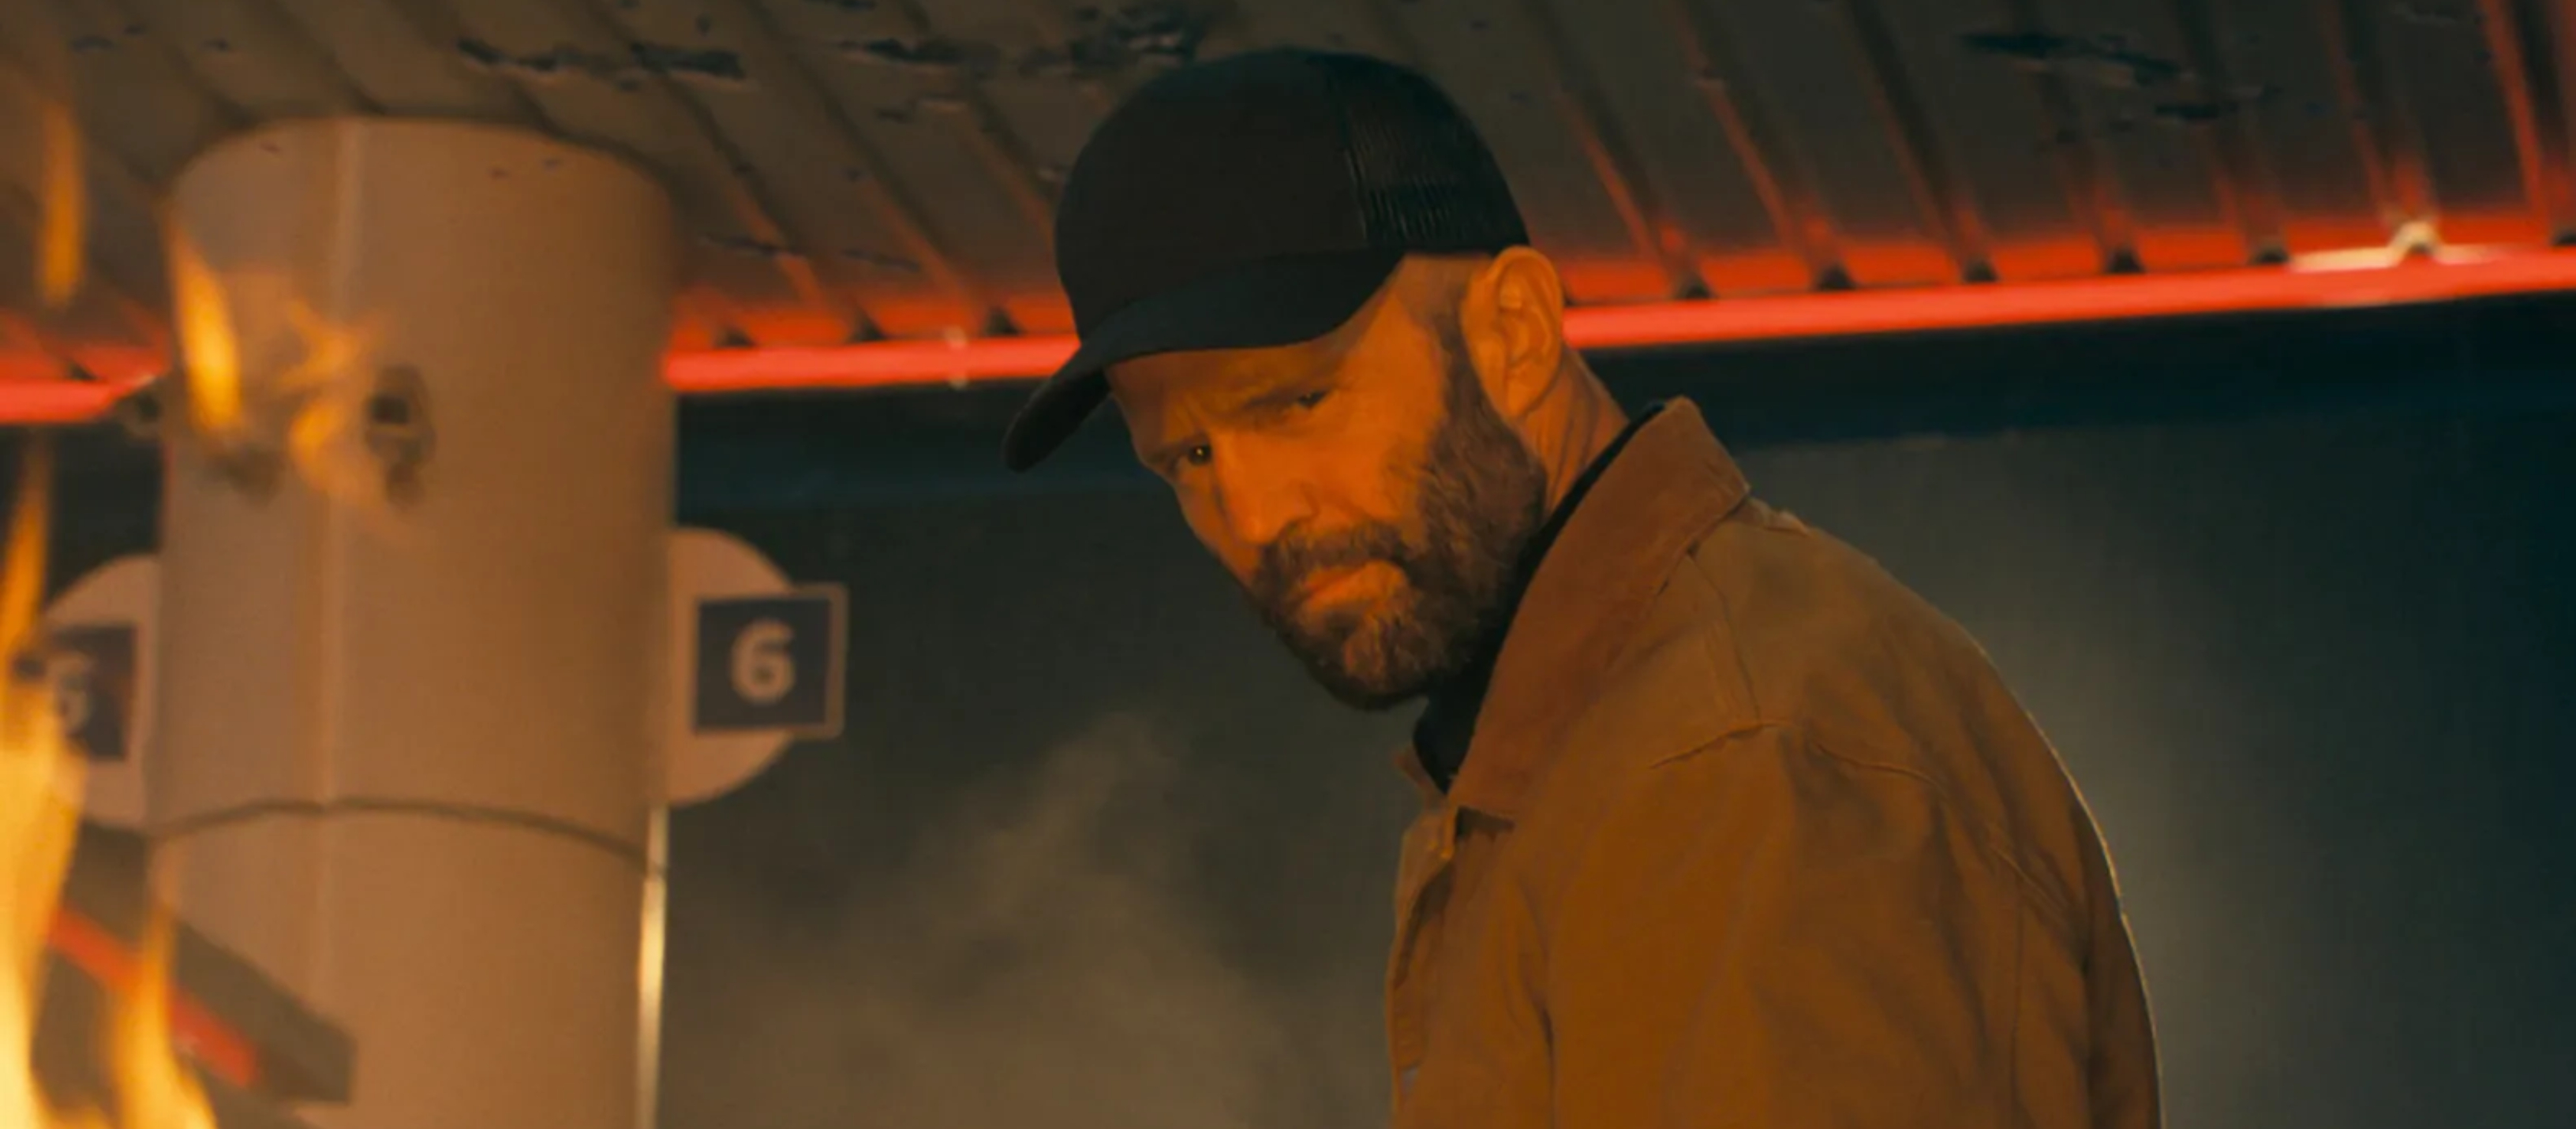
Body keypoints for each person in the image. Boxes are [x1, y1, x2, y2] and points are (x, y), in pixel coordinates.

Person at [1002, 47, 2160, 1129]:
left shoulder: (1727, 756)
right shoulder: (1595, 738)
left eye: (1300, 402)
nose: (1256, 518)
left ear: (1513, 332)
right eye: (1189, 456)